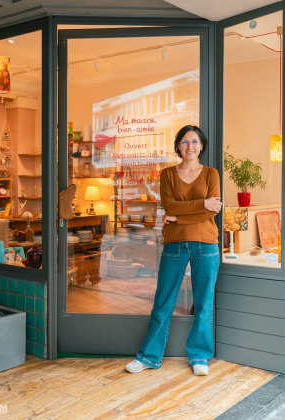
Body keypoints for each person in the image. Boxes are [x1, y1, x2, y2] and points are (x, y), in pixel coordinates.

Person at [125, 125, 222, 376]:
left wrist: (178, 217)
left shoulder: (211, 174)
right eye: (185, 142)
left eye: (195, 142)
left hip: (206, 244)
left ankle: (200, 356)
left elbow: (213, 210)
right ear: (178, 146)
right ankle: (149, 356)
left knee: (203, 303)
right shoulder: (168, 174)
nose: (190, 146)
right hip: (175, 244)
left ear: (202, 146)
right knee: (163, 301)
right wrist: (199, 205)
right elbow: (169, 205)